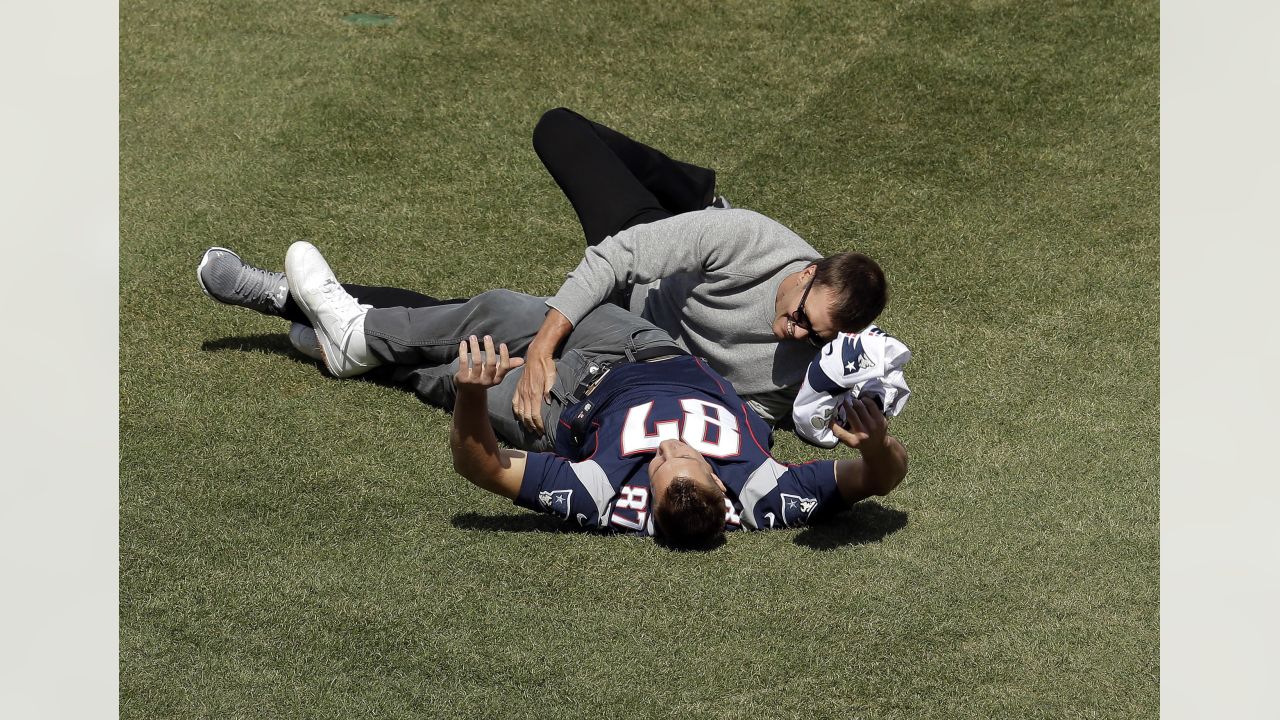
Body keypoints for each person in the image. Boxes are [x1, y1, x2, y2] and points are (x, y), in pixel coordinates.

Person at [201, 241, 909, 548]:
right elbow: (879, 480)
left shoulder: (606, 497)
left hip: (563, 408)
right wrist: (875, 445)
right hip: (639, 346)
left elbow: (482, 466)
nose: (670, 447)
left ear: (651, 494)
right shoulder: (759, 491)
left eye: (662, 463)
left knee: (450, 371)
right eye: (687, 456)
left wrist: (477, 400)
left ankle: (300, 314)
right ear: (720, 495)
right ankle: (349, 334)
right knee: (499, 306)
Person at [513, 108, 891, 432]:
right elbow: (614, 257)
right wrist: (540, 350)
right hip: (646, 284)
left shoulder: (815, 360)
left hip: (645, 337)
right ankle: (695, 196)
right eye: (801, 317)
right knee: (558, 129)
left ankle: (694, 209)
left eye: (814, 336)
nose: (795, 332)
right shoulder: (747, 239)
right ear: (808, 272)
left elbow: (754, 417)